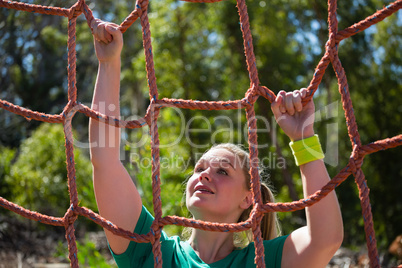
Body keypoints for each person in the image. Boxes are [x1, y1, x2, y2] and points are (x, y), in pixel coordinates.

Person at [89, 19, 343, 268]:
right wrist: (109, 63)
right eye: (199, 169)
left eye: (222, 171)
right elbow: (105, 162)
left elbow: (324, 240)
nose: (204, 175)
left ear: (248, 199)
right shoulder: (152, 250)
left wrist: (303, 139)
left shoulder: (264, 260)